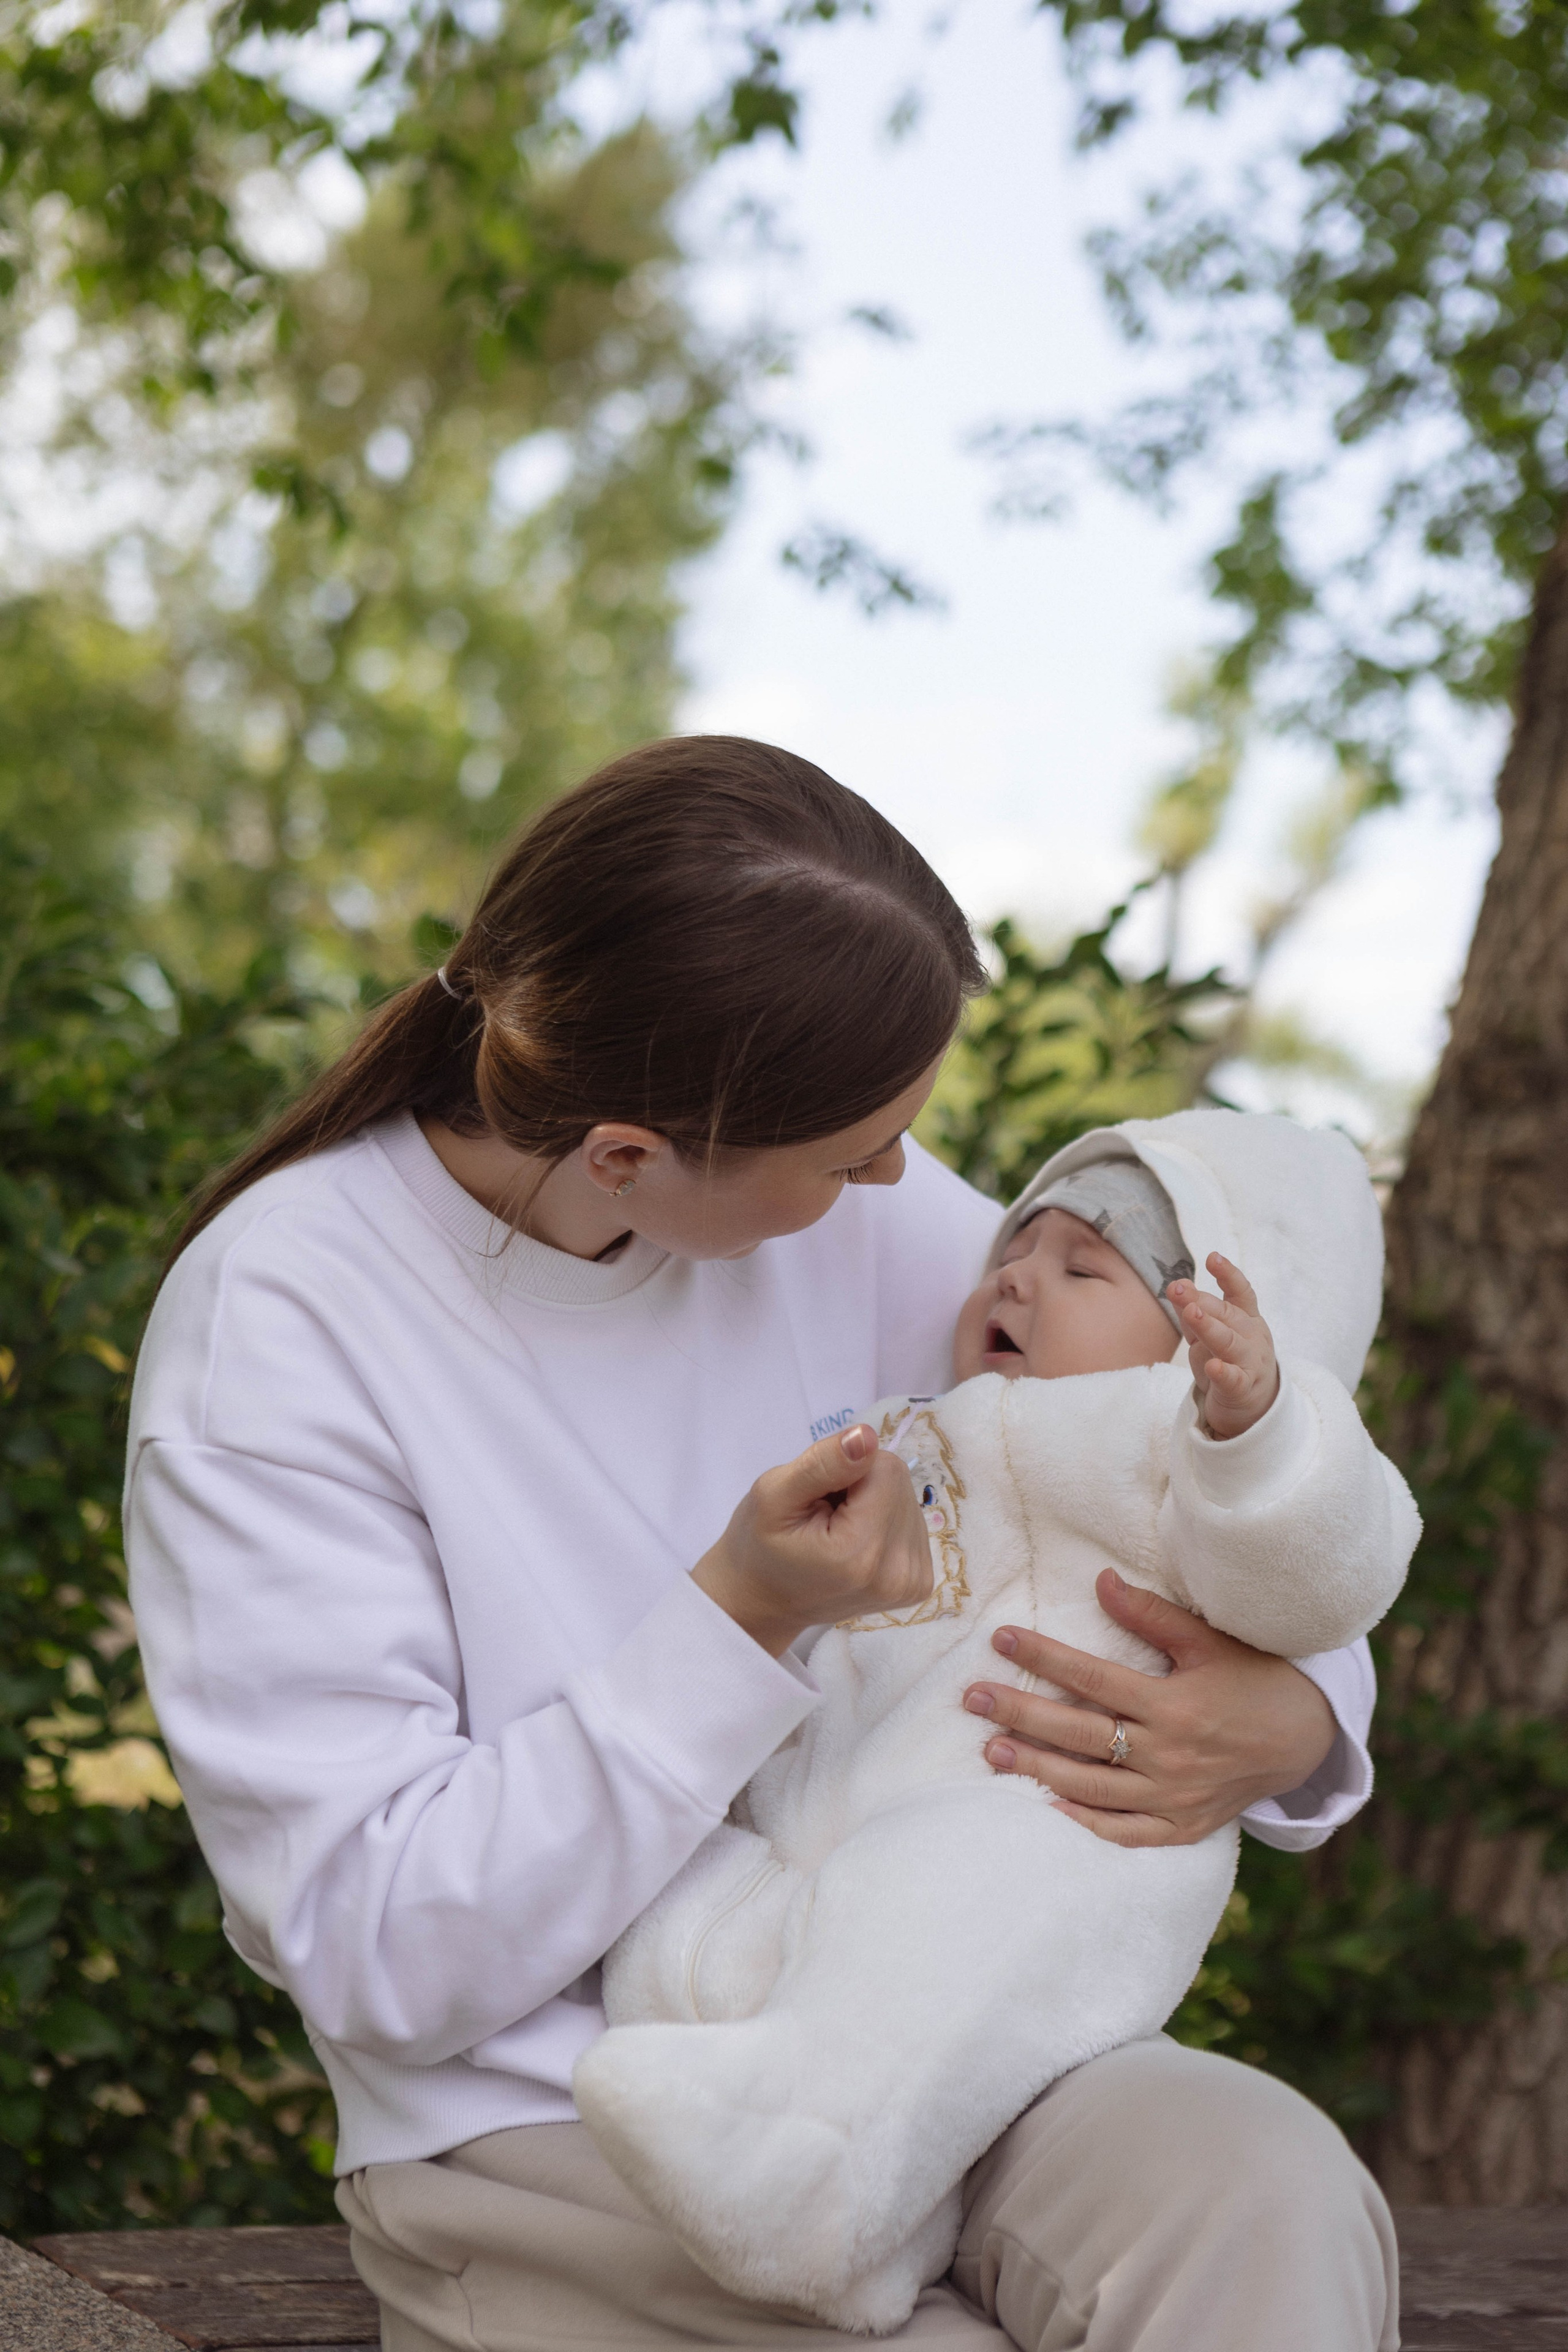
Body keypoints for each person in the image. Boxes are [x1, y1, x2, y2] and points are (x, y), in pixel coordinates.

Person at [126, 738, 1400, 2352]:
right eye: (852, 1157)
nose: (898, 1188)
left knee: (1260, 2188)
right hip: (552, 2126)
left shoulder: (835, 1201)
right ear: (626, 1159)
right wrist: (734, 1623)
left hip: (930, 2030)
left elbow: (1167, 1442)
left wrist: (1296, 1710)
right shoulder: (286, 1333)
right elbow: (383, 1951)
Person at [578, 1110, 1419, 2331]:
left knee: (944, 1919)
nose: (1016, 1275)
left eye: (1082, 1269)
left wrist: (1260, 1430)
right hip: (837, 1809)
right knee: (699, 1917)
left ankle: (807, 2186)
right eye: (1011, 1254)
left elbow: (1321, 1573)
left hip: (1046, 1829)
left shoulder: (1175, 1450)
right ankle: (854, 2205)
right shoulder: (923, 1423)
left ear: (1204, 1339)